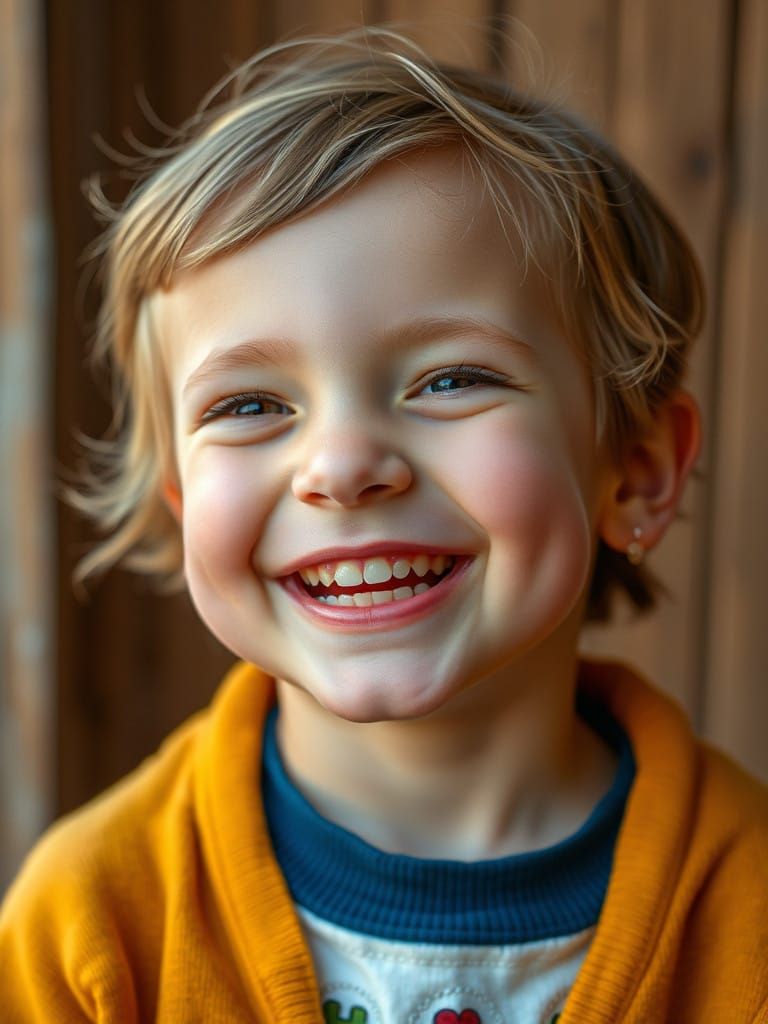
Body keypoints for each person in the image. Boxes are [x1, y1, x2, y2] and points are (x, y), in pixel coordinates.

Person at [1, 25, 766, 1024]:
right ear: (184, 502)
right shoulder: (91, 924)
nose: (343, 465)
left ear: (638, 470)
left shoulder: (746, 914)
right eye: (249, 406)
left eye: (452, 378)